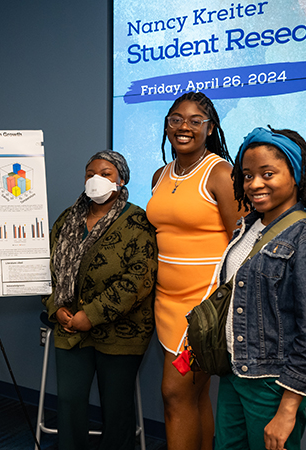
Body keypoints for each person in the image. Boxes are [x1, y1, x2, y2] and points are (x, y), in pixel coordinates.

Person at [214, 127, 306, 450]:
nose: (254, 184)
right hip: (234, 374)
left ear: (296, 175)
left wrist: (287, 410)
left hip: (272, 385)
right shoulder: (247, 227)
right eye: (247, 175)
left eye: (267, 173)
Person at [146, 91, 242, 450]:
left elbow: (242, 243)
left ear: (210, 128)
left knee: (174, 393)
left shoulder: (220, 172)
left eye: (194, 120)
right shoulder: (160, 174)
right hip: (165, 304)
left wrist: (221, 308)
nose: (183, 126)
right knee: (194, 397)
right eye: (176, 119)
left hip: (202, 308)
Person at [43, 151, 158, 450]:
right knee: (69, 401)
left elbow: (137, 281)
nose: (96, 179)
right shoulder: (67, 219)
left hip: (121, 332)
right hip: (70, 329)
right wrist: (57, 309)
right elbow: (46, 270)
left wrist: (90, 315)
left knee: (116, 407)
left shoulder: (137, 221)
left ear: (121, 179)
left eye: (106, 173)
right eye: (90, 173)